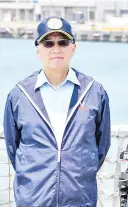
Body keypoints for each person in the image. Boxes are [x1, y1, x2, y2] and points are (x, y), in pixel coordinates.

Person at [3, 16, 111, 206]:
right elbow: (14, 147)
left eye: (63, 42)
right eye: (48, 43)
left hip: (80, 199)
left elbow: (101, 146)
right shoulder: (19, 94)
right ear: (38, 50)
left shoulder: (94, 91)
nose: (56, 48)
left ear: (73, 48)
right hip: (33, 200)